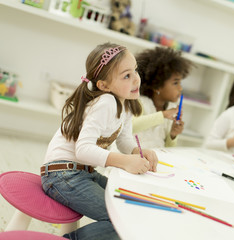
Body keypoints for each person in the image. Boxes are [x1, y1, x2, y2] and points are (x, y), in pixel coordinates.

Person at [40, 42, 158, 240]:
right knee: (122, 219)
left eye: (135, 70)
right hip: (62, 174)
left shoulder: (125, 104)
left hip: (84, 173)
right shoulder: (106, 102)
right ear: (104, 85)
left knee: (129, 205)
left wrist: (137, 152)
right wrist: (124, 161)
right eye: (126, 76)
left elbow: (124, 139)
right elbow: (83, 150)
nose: (136, 79)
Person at [132, 47, 193, 148]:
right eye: (175, 83)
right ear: (157, 86)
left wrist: (173, 135)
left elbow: (168, 149)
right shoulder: (139, 102)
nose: (180, 88)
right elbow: (131, 126)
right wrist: (163, 115)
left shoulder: (170, 109)